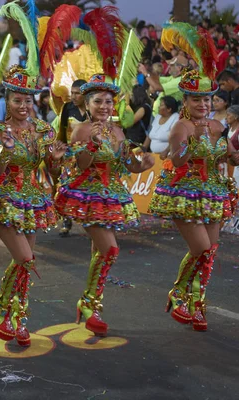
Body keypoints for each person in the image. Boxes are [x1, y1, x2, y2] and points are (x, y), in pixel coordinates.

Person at [54, 74, 155, 337]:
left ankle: (92, 306)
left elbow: (125, 165)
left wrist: (141, 166)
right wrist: (93, 143)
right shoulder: (81, 130)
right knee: (110, 249)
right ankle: (88, 303)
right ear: (87, 105)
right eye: (98, 101)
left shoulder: (119, 131)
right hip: (88, 195)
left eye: (109, 101)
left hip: (111, 195)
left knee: (101, 252)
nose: (104, 106)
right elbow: (82, 165)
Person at [0, 65, 65, 346]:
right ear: (7, 101)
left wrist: (58, 160)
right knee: (26, 259)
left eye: (28, 100)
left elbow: (54, 172)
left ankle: (17, 317)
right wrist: (4, 150)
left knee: (23, 262)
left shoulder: (44, 130)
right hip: (4, 198)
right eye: (17, 100)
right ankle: (3, 309)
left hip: (33, 200)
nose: (23, 106)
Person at [148, 71, 239, 331]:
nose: (203, 105)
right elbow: (178, 159)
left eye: (207, 100)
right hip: (185, 194)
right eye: (196, 100)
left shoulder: (217, 126)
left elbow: (228, 154)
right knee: (202, 248)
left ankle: (197, 304)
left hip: (212, 193)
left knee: (209, 253)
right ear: (185, 101)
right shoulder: (180, 127)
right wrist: (194, 138)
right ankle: (178, 293)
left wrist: (238, 157)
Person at [57, 79, 88, 236]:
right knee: (67, 187)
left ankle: (91, 221)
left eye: (77, 93)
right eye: (72, 93)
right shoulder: (67, 108)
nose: (74, 96)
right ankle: (66, 220)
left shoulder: (93, 109)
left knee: (88, 188)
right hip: (70, 156)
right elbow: (62, 131)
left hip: (89, 156)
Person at [227, 105, 239, 186]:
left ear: (235, 116)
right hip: (231, 163)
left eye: (228, 115)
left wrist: (232, 155)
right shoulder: (230, 130)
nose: (226, 117)